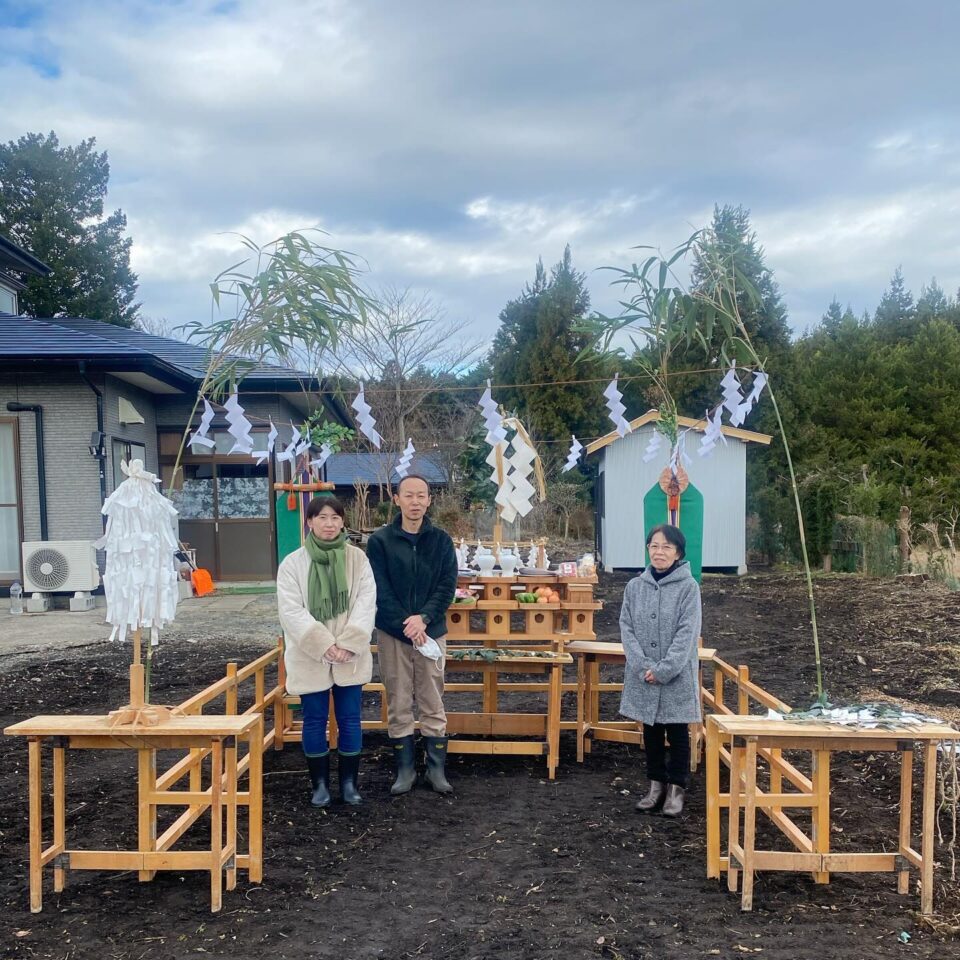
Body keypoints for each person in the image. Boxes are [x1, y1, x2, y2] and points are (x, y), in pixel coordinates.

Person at [277, 495, 376, 807]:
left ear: (343, 521)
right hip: (310, 655)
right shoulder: (293, 563)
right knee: (314, 719)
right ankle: (319, 785)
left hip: (350, 655)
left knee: (350, 719)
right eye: (322, 517)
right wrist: (324, 645)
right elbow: (291, 611)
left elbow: (366, 601)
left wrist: (349, 643)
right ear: (309, 522)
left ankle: (349, 784)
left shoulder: (357, 559)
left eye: (335, 517)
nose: (329, 524)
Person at [366, 474, 458, 795]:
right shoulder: (380, 541)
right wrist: (406, 622)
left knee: (433, 697)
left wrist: (425, 618)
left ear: (430, 500)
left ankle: (436, 770)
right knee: (399, 698)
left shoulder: (442, 541)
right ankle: (405, 770)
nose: (415, 501)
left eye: (421, 496)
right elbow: (379, 589)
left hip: (431, 633)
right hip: (393, 632)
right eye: (409, 495)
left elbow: (447, 585)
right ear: (397, 499)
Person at [619, 523, 702, 817]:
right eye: (654, 546)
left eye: (666, 547)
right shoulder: (634, 587)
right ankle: (655, 786)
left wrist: (664, 669)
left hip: (675, 675)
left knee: (678, 731)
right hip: (643, 673)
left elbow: (687, 634)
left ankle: (676, 789)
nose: (659, 552)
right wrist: (642, 665)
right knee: (651, 730)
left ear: (678, 552)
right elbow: (626, 627)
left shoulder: (688, 588)